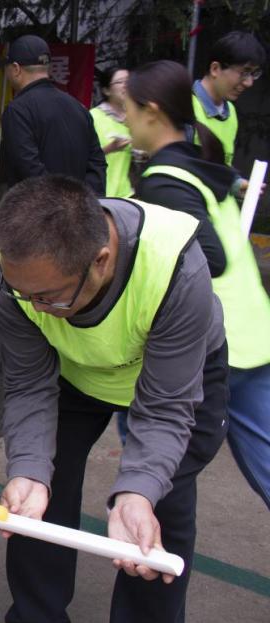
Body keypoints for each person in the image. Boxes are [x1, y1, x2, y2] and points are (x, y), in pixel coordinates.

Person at [0, 175, 228, 623]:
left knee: (159, 507)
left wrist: (137, 491)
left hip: (175, 380)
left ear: (100, 260)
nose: (35, 307)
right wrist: (29, 467)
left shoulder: (175, 267)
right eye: (23, 294)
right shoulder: (8, 277)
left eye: (48, 297)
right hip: (75, 372)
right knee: (37, 495)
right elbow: (27, 381)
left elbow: (165, 408)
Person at [128, 59, 270, 510]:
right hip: (252, 334)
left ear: (151, 111)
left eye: (128, 109)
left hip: (214, 345)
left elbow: (211, 258)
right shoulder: (199, 161)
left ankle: (150, 545)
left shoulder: (165, 181)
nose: (124, 120)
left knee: (154, 457)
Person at [0, 34, 106, 194]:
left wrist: (60, 203)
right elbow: (97, 163)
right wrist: (83, 201)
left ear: (16, 69)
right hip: (81, 206)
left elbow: (29, 170)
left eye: (5, 69)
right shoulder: (78, 107)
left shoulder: (17, 111)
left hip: (39, 208)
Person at [193, 31, 265, 170]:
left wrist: (236, 181)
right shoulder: (182, 106)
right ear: (215, 68)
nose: (249, 82)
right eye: (244, 72)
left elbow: (221, 168)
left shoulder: (230, 111)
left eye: (254, 74)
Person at [90, 67, 134, 198]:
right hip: (101, 194)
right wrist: (110, 148)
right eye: (120, 82)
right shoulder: (93, 117)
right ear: (106, 90)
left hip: (128, 194)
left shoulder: (135, 118)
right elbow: (82, 157)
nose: (126, 85)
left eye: (128, 80)